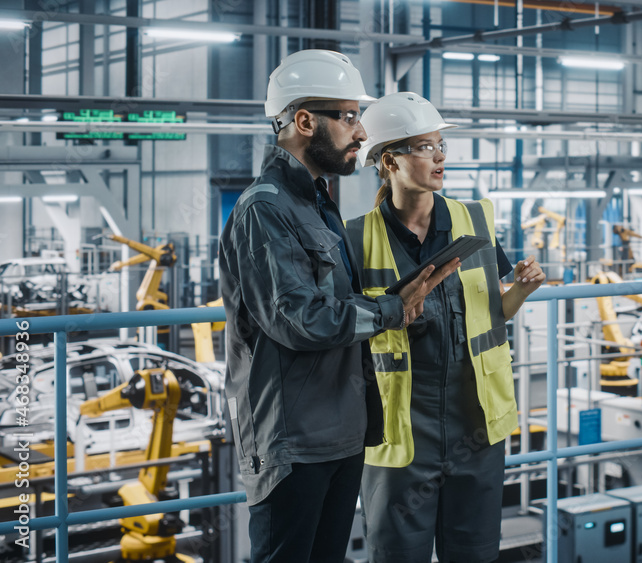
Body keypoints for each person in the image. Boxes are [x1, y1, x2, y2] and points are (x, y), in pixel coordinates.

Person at [218, 52, 458, 563]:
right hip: (292, 440)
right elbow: (298, 319)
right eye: (348, 117)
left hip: (340, 431)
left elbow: (334, 305)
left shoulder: (319, 203)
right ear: (304, 121)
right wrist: (393, 309)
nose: (360, 132)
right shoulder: (265, 208)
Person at [346, 92, 546, 563]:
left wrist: (521, 289)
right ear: (389, 160)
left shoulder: (473, 219)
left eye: (440, 146)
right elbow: (344, 327)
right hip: (398, 430)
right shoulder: (354, 239)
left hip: (474, 423)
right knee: (396, 553)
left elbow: (494, 311)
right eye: (423, 147)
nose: (438, 157)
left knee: (475, 552)